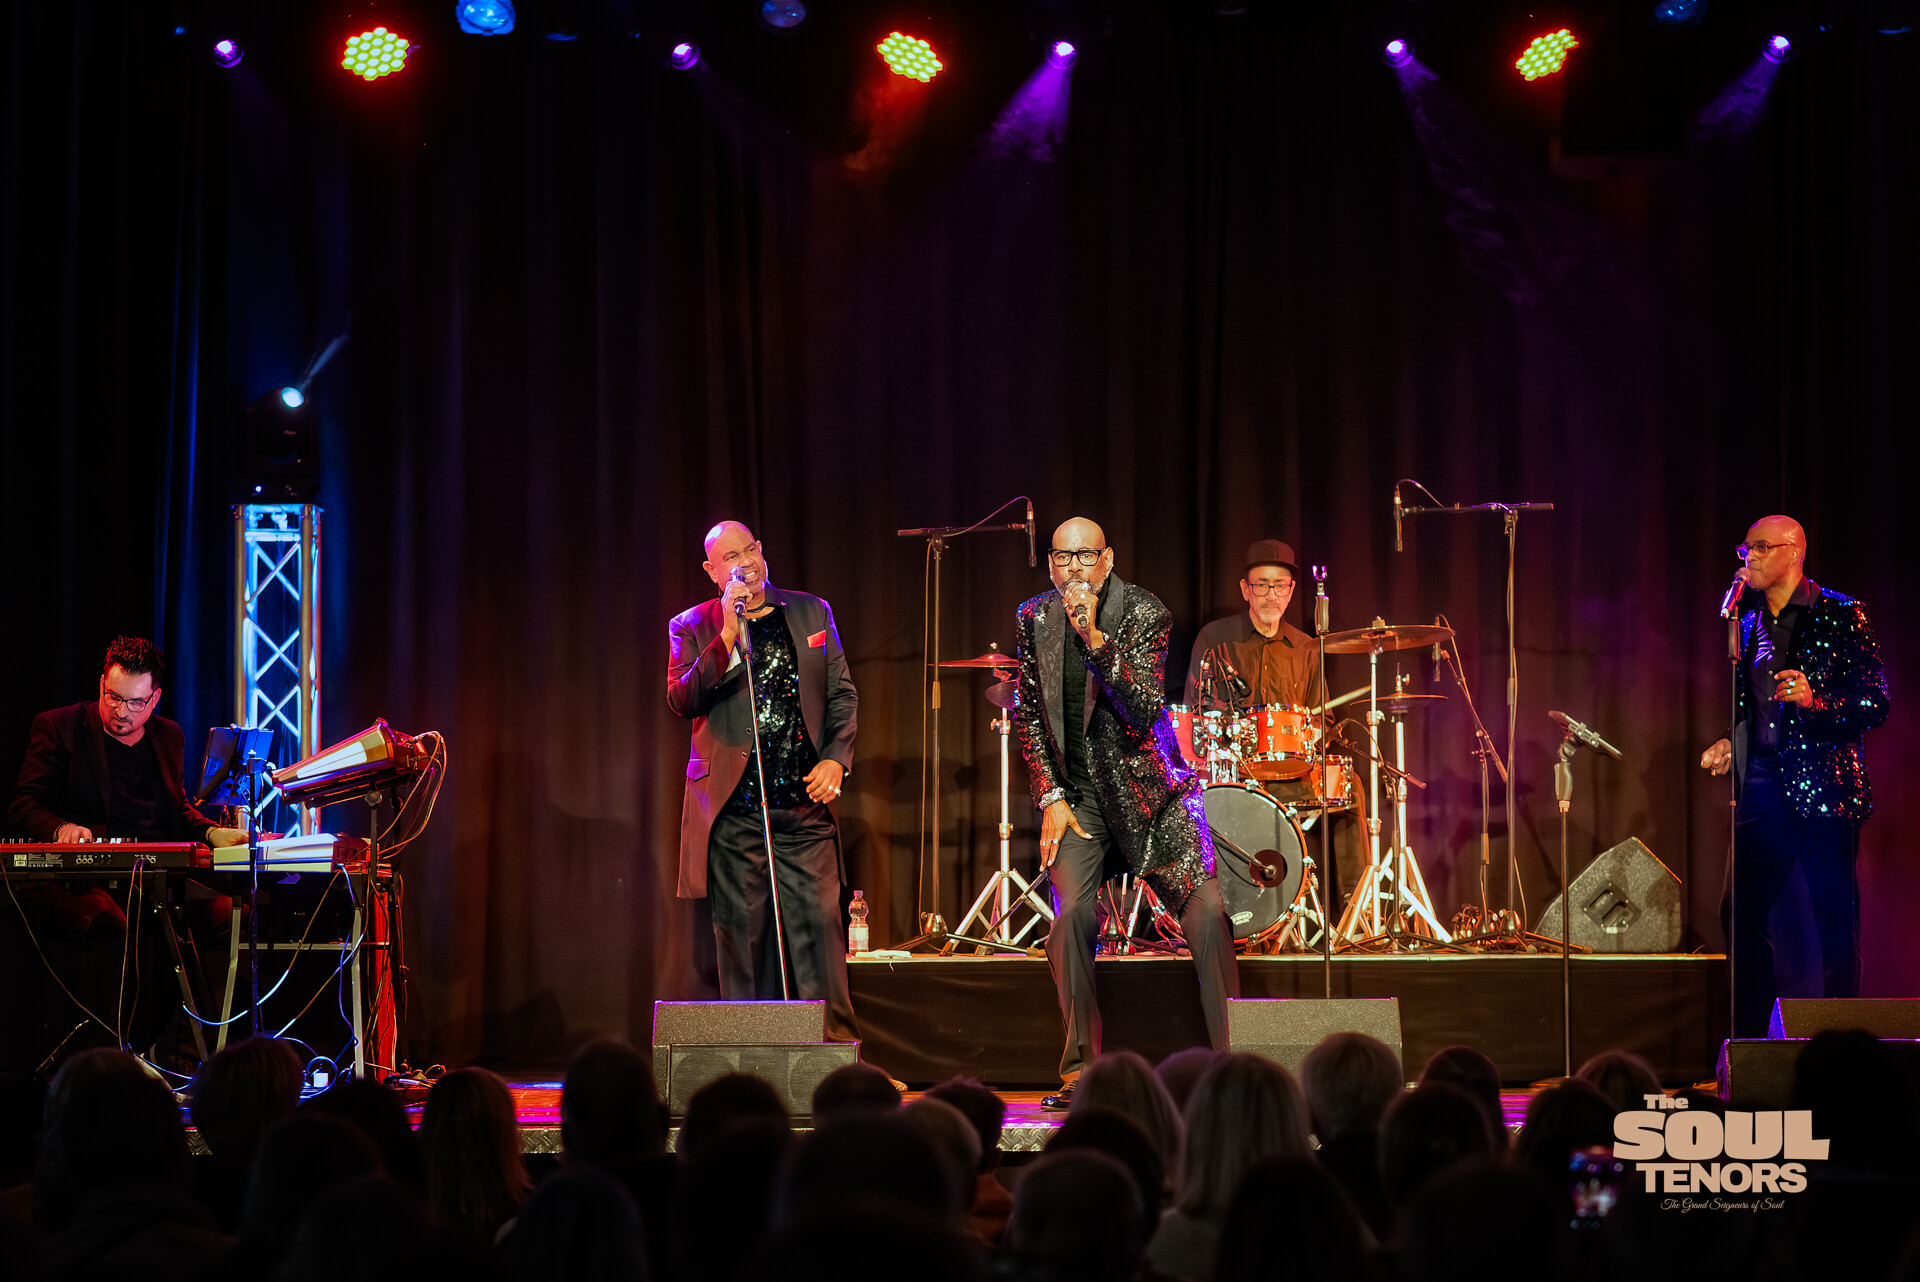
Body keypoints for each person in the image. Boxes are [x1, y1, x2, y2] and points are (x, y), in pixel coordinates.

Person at [1012, 517, 1238, 1109]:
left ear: (1107, 559)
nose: (1074, 569)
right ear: (1051, 564)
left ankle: (1233, 1067)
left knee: (1208, 914)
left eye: (1086, 556)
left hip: (1152, 796)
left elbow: (1141, 707)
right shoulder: (1033, 617)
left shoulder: (1143, 611)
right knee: (1070, 921)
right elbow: (1029, 714)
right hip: (1081, 803)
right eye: (1063, 558)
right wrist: (1050, 796)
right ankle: (1081, 1073)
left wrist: (1093, 638)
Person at [668, 521, 860, 1042]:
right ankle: (751, 1061)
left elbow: (842, 694)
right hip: (733, 813)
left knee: (822, 939)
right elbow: (683, 699)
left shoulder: (811, 611)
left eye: (749, 549)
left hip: (803, 808)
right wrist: (729, 635)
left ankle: (838, 1059)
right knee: (742, 945)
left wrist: (836, 760)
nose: (745, 562)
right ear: (712, 571)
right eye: (731, 557)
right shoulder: (691, 625)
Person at [1699, 515, 1889, 1038]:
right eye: (1746, 549)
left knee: (1833, 915)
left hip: (1826, 784)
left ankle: (1842, 1044)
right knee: (1738, 911)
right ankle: (1756, 1041)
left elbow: (1876, 702)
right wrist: (1730, 741)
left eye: (1761, 547)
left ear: (1794, 552)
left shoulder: (1842, 613)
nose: (1750, 558)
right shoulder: (1748, 622)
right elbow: (1750, 706)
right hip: (1763, 781)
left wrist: (1814, 700)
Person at [1181, 540, 1367, 912]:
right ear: (1245, 589)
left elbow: (1323, 718)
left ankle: (1354, 910)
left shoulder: (1306, 647)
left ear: (1291, 590)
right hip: (1234, 774)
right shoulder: (1214, 639)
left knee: (1351, 786)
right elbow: (1194, 714)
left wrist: (1315, 731)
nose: (1271, 595)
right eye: (1262, 585)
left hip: (1291, 774)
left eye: (1279, 586)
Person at [9, 636, 243, 847]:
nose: (121, 712)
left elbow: (176, 809)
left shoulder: (169, 735)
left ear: (155, 698)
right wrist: (62, 829)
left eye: (136, 702)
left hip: (164, 867)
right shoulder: (60, 727)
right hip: (93, 872)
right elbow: (25, 806)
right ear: (102, 684)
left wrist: (212, 831)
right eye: (114, 697)